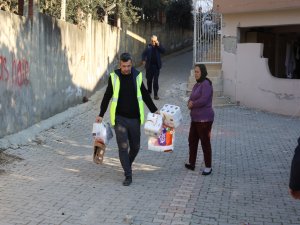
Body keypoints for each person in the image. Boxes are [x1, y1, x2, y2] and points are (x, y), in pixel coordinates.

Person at [96, 53, 158, 186]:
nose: (126, 69)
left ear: (132, 64)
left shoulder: (137, 75)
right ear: (120, 65)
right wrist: (101, 114)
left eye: (129, 66)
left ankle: (127, 164)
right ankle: (128, 175)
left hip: (135, 119)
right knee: (123, 147)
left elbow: (145, 94)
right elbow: (107, 96)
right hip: (120, 119)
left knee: (135, 147)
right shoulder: (114, 77)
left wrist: (154, 110)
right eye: (124, 66)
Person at [185, 64, 214, 175]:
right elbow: (191, 98)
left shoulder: (206, 84)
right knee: (192, 141)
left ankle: (208, 166)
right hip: (195, 119)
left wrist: (193, 104)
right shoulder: (197, 85)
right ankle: (192, 163)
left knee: (205, 142)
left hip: (204, 120)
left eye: (197, 72)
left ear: (202, 72)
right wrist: (189, 103)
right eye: (195, 72)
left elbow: (204, 100)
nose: (196, 74)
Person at [142, 35, 165, 100]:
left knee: (155, 81)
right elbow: (143, 53)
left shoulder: (159, 46)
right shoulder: (148, 46)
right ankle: (149, 92)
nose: (153, 42)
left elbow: (163, 51)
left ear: (156, 40)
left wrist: (158, 45)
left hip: (156, 67)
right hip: (149, 66)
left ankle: (155, 95)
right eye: (152, 41)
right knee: (149, 80)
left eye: (154, 41)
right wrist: (143, 60)